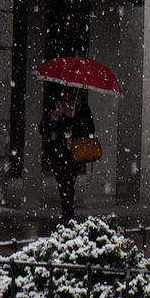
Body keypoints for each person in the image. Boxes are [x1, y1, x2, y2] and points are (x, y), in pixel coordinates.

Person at [38, 85, 95, 221]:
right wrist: (54, 117)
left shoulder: (82, 108)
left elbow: (89, 129)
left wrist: (72, 118)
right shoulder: (55, 107)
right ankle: (67, 211)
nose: (65, 95)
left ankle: (67, 215)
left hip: (73, 153)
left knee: (68, 183)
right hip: (57, 152)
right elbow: (43, 129)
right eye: (63, 92)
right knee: (62, 184)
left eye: (68, 92)